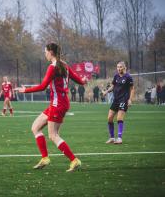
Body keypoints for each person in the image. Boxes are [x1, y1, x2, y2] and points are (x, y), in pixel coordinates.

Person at [15, 43, 86, 172]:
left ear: (51, 52)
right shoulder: (64, 65)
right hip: (60, 103)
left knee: (53, 135)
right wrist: (83, 81)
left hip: (57, 104)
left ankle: (74, 160)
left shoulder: (53, 67)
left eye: (45, 51)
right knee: (35, 127)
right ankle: (45, 158)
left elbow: (42, 86)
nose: (45, 54)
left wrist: (25, 90)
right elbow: (78, 79)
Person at [102, 61, 134, 144]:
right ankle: (112, 138)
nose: (119, 68)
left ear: (124, 67)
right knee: (109, 118)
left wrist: (130, 99)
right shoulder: (116, 76)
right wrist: (106, 92)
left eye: (120, 67)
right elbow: (113, 86)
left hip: (123, 100)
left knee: (119, 118)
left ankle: (119, 138)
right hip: (116, 100)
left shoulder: (128, 77)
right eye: (118, 67)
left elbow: (132, 89)